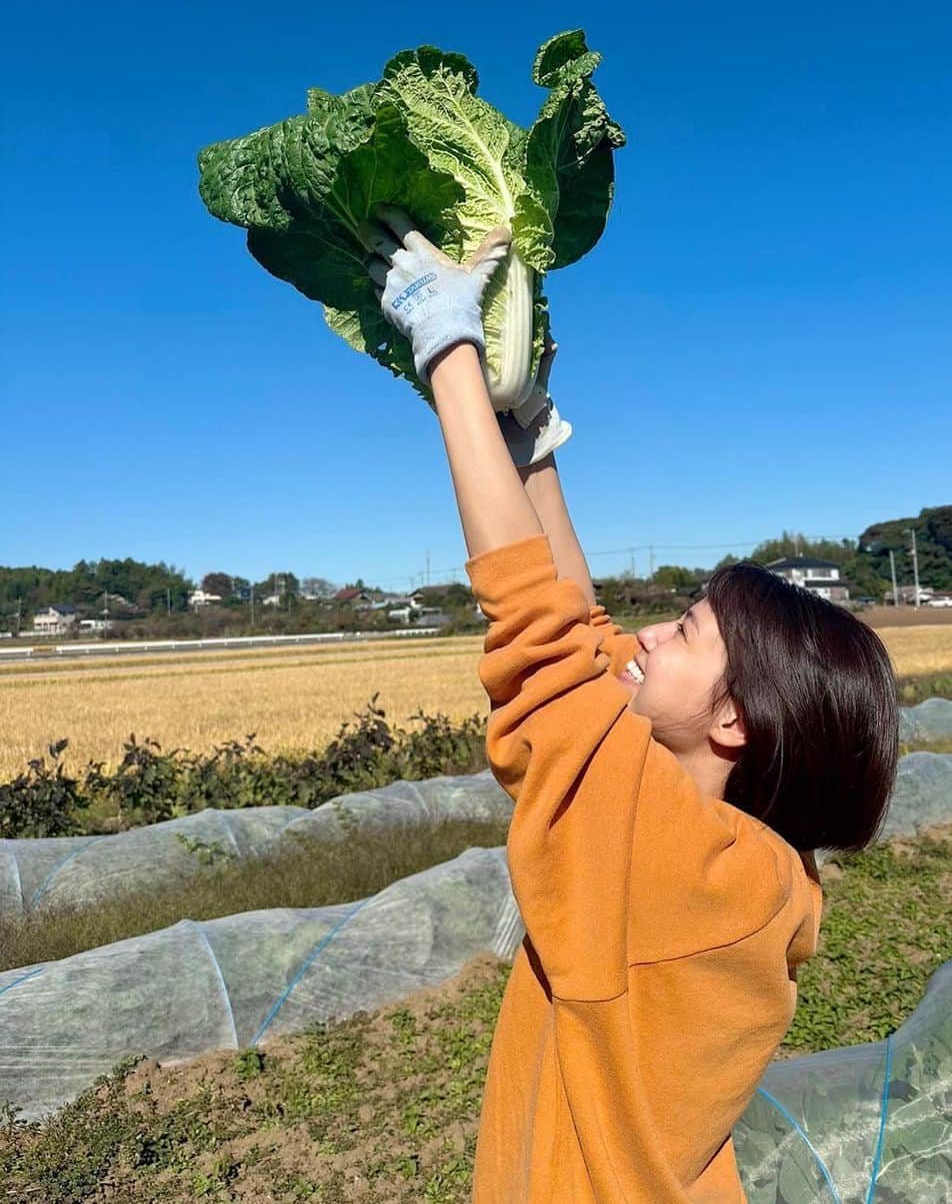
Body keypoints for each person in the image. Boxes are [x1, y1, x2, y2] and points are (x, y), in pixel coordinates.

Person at [358, 206, 900, 1203]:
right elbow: (592, 638)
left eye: (686, 633)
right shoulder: (742, 862)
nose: (648, 636)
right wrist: (533, 446)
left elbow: (545, 641)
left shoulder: (678, 863)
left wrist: (452, 357)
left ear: (736, 723)